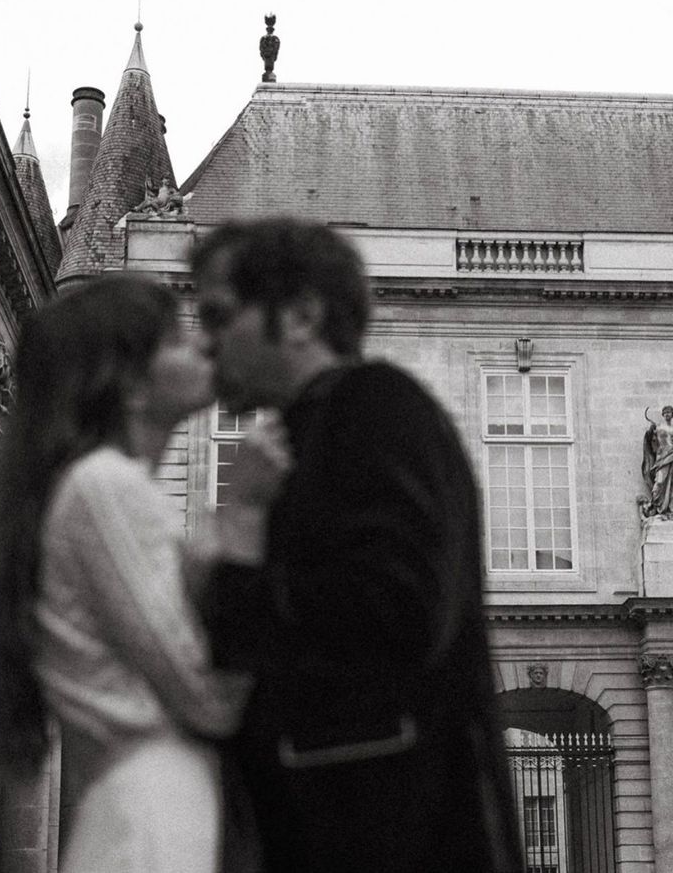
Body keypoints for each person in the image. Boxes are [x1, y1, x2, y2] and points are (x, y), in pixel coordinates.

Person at [191, 217, 525, 873]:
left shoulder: (374, 405)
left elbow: (391, 612)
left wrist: (231, 564)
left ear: (300, 316)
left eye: (220, 315)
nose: (206, 344)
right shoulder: (319, 422)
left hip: (382, 830)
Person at [0, 274, 288, 873]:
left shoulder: (103, 487)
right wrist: (243, 515)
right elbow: (208, 698)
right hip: (156, 815)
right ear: (128, 385)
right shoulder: (107, 486)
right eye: (176, 338)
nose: (203, 346)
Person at [642, 405, 673, 517]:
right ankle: (655, 504)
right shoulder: (659, 427)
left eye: (669, 412)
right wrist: (650, 431)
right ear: (663, 415)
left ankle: (669, 508)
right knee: (659, 481)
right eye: (665, 413)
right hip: (662, 458)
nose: (667, 414)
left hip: (672, 456)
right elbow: (651, 439)